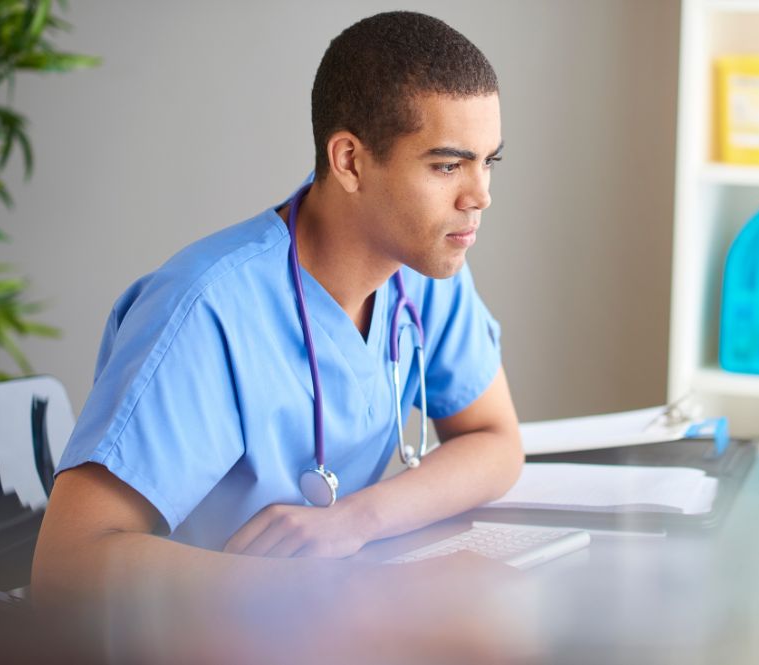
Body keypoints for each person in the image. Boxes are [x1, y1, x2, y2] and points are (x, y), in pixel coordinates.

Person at [31, 9, 524, 639]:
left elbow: (496, 440)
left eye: (490, 162)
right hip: (202, 639)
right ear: (349, 161)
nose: (479, 195)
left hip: (330, 633)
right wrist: (332, 588)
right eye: (447, 166)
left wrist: (356, 521)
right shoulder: (206, 311)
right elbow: (66, 562)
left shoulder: (423, 269)